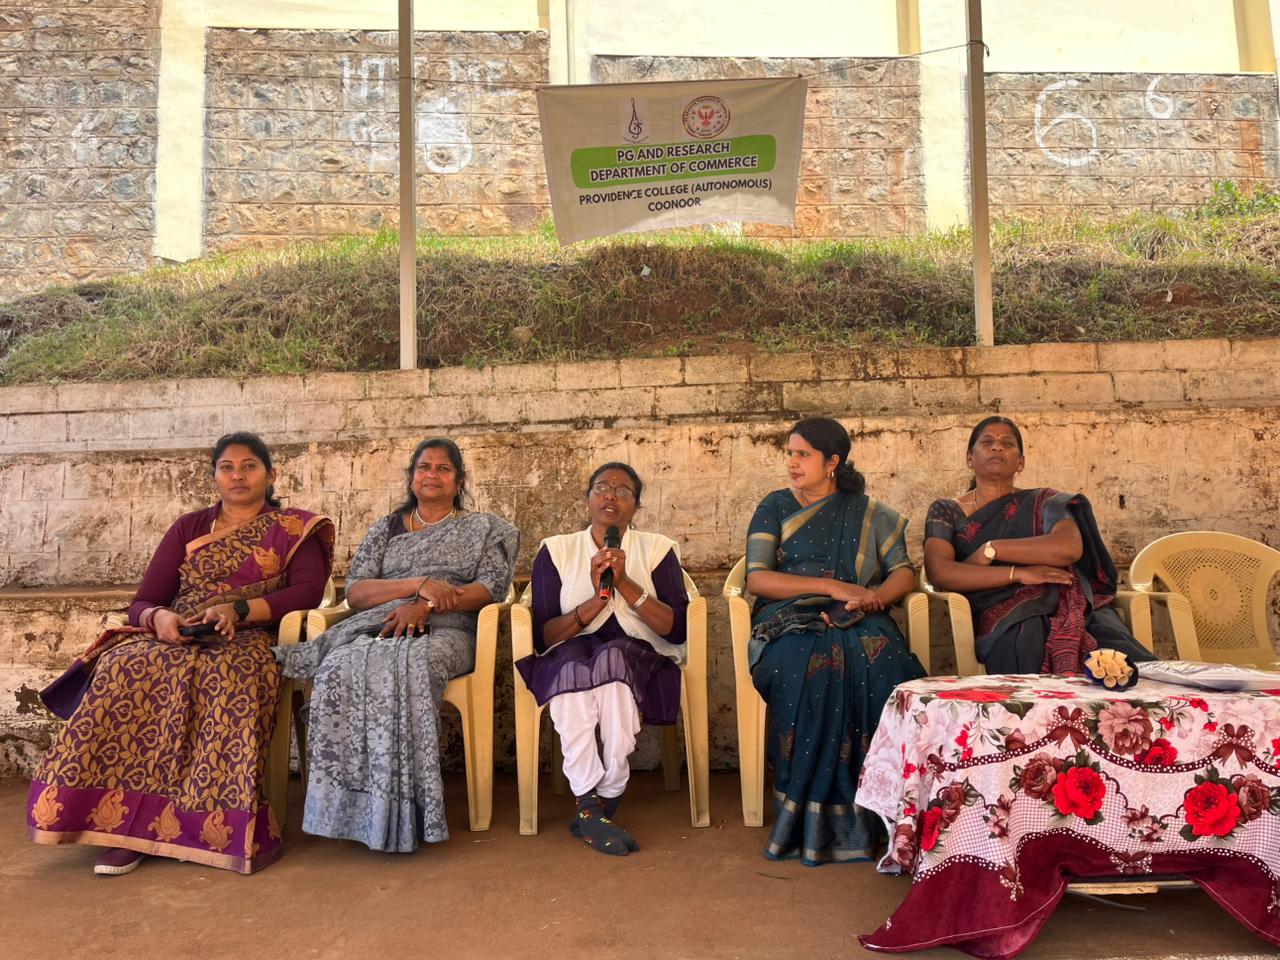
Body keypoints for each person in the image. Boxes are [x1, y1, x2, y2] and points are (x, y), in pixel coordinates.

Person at [28, 432, 335, 876]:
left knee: (226, 674)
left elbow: (307, 590)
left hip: (252, 635)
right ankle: (121, 828)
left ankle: (205, 826)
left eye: (249, 466)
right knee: (124, 665)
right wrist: (160, 618)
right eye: (227, 467)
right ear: (215, 477)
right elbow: (143, 600)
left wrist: (238, 610)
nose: (237, 475)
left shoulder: (294, 529)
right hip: (178, 634)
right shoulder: (188, 528)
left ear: (271, 475)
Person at [276, 438, 517, 853]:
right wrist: (416, 586)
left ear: (459, 480)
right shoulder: (386, 529)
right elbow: (358, 593)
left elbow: (488, 590)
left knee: (414, 664)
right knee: (337, 667)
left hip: (449, 630)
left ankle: (406, 811)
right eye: (424, 467)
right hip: (379, 625)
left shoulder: (483, 528)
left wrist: (426, 606)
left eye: (443, 468)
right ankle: (352, 809)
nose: (432, 475)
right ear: (412, 477)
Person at [746, 417, 924, 865]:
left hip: (861, 617)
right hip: (789, 621)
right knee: (810, 665)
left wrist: (874, 599)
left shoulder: (869, 513)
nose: (792, 462)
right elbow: (758, 578)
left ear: (832, 462)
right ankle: (809, 819)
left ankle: (879, 811)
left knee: (884, 663)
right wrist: (830, 587)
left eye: (802, 454)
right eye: (789, 453)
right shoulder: (775, 506)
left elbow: (904, 572)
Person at [516, 462, 689, 856]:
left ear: (636, 506)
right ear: (588, 499)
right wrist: (597, 601)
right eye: (601, 487)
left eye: (623, 490)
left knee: (613, 666)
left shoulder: (658, 549)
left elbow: (676, 629)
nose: (611, 495)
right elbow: (543, 635)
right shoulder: (556, 550)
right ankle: (592, 803)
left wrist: (623, 582)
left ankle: (602, 798)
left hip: (638, 650)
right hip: (572, 646)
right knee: (571, 677)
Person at [922, 415, 1156, 674]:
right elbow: (940, 572)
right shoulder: (947, 510)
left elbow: (1067, 548)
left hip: (1068, 599)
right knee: (1026, 640)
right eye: (987, 442)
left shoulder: (1045, 501)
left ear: (1021, 462)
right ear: (970, 458)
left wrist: (992, 548)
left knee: (1121, 657)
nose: (997, 447)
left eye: (1007, 443)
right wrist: (1019, 574)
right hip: (998, 608)